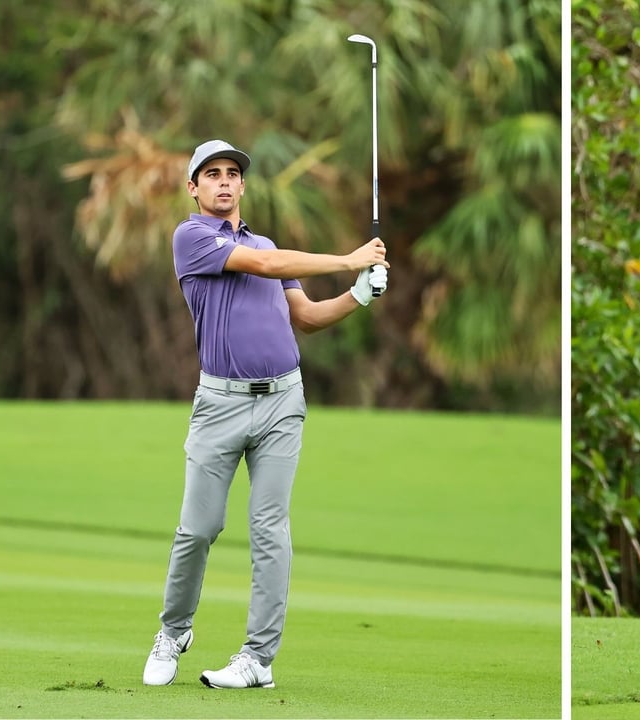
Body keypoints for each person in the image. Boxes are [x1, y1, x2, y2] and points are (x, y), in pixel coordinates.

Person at [142, 139, 390, 689]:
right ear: (194, 188)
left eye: (232, 174)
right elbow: (265, 264)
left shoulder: (266, 240)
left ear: (243, 185)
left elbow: (305, 315)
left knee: (269, 530)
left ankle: (258, 659)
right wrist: (349, 258)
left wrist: (359, 294)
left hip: (282, 401)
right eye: (212, 174)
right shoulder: (193, 239)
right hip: (219, 405)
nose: (224, 182)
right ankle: (174, 631)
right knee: (197, 528)